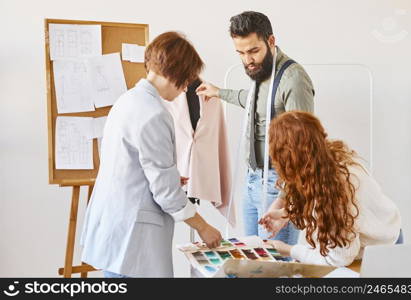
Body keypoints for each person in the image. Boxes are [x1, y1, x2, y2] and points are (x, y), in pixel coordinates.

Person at [80, 32, 222, 278]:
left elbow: (127, 164)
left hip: (114, 226)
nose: (186, 88)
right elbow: (166, 193)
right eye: (186, 80)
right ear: (175, 73)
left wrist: (165, 179)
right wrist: (204, 227)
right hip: (132, 237)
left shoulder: (126, 101)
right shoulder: (154, 114)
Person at [196, 11, 314, 245]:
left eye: (253, 51)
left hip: (278, 185)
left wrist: (284, 201)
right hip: (252, 181)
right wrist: (220, 92)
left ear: (271, 41)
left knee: (276, 268)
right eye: (240, 53)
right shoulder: (261, 72)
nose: (247, 60)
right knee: (252, 262)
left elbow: (304, 150)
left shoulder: (293, 80)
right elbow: (254, 101)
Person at [260, 111, 401, 267]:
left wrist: (289, 250)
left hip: (382, 249)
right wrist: (287, 213)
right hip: (371, 243)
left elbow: (338, 259)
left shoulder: (338, 188)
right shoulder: (322, 163)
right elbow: (318, 204)